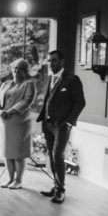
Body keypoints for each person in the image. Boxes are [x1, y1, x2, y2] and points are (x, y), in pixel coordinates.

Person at [37, 50, 86, 204]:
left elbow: (80, 102)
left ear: (62, 61)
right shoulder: (49, 78)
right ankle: (55, 186)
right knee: (51, 155)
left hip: (62, 126)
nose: (51, 63)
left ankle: (61, 191)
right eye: (49, 60)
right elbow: (47, 100)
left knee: (58, 155)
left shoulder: (72, 79)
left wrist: (69, 122)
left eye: (55, 60)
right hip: (48, 124)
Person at [0, 59, 36, 189]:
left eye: (20, 69)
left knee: (18, 153)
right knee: (7, 152)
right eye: (15, 68)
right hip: (4, 122)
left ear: (25, 71)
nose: (16, 71)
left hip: (19, 122)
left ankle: (18, 180)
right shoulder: (5, 84)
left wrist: (10, 111)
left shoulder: (29, 84)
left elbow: (27, 101)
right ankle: (10, 178)